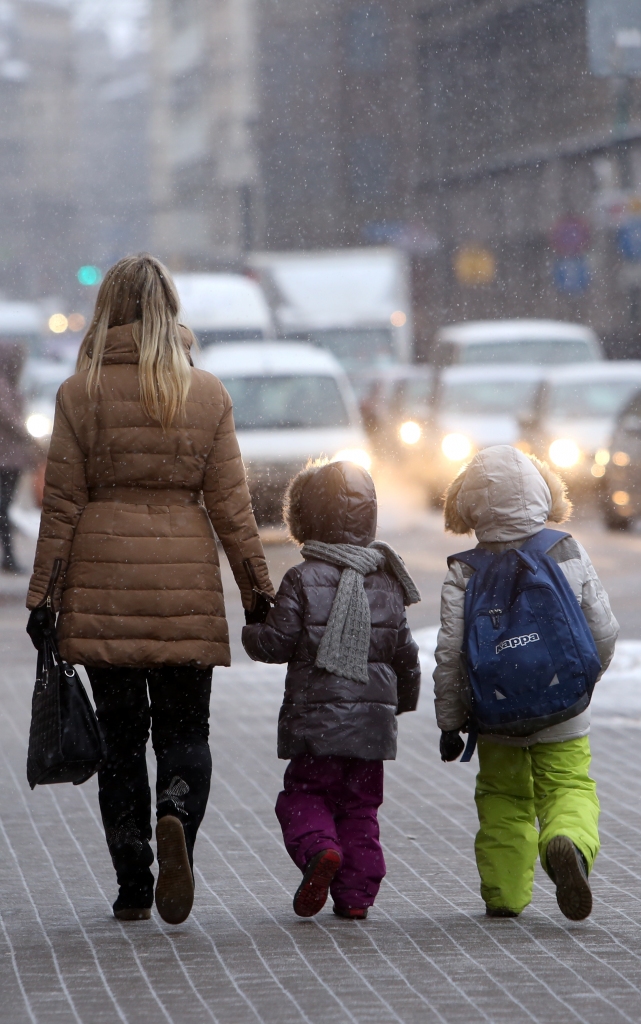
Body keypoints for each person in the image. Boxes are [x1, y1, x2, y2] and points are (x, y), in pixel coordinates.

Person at [26, 254, 274, 924]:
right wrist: (256, 589)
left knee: (120, 740)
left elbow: (62, 507)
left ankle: (134, 880)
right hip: (184, 587)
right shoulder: (206, 393)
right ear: (169, 309)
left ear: (108, 309)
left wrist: (43, 597)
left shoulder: (80, 394)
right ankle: (176, 816)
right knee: (186, 731)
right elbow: (232, 508)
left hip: (103, 585)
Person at [434, 445, 618, 921]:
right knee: (568, 784)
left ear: (467, 504)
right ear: (541, 491)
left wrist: (451, 720)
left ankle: (505, 894)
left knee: (503, 798)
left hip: (496, 711)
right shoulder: (565, 549)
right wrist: (582, 682)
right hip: (563, 704)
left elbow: (451, 655)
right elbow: (602, 629)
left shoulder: (463, 570)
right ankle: (567, 841)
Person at [243, 460, 421, 920]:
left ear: (304, 517)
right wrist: (403, 702)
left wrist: (252, 628)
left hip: (316, 723)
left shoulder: (302, 578)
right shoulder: (387, 580)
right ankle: (356, 897)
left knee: (304, 795)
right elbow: (405, 652)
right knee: (360, 808)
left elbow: (275, 645)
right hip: (372, 726)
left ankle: (321, 848)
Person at [0, 340, 33, 572]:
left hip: (10, 458)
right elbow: (11, 421)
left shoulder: (9, 386)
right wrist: (31, 439)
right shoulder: (3, 387)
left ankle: (9, 555)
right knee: (4, 506)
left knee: (5, 506)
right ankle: (9, 556)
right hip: (6, 459)